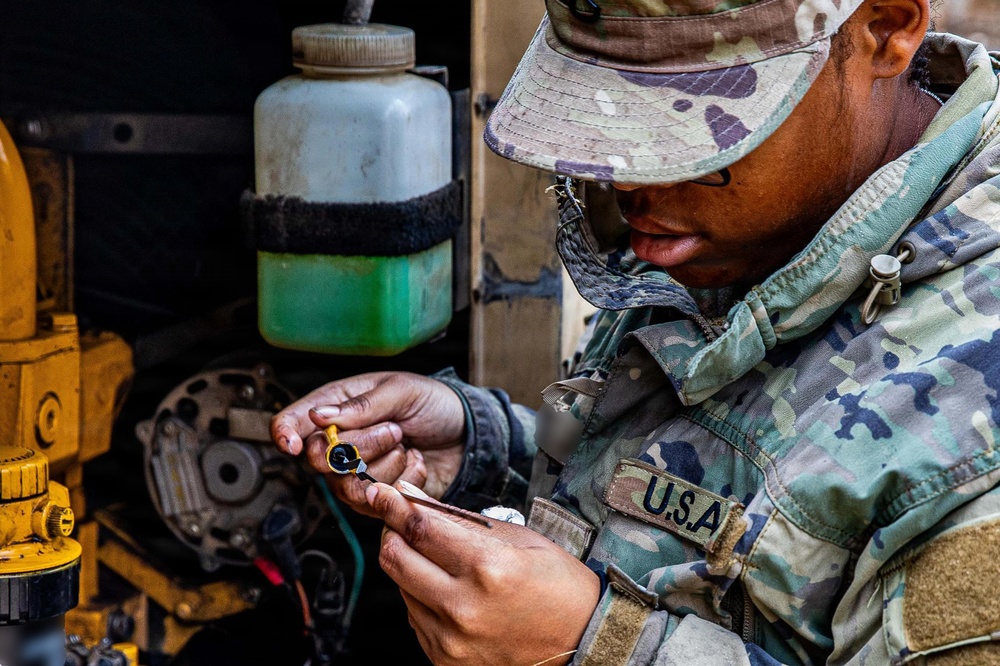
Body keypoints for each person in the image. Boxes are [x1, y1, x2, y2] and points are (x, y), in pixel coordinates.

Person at [272, 0, 1000, 662]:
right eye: (612, 125)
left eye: (695, 134)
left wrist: (595, 647)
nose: (629, 187)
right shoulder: (741, 226)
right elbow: (742, 509)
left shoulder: (982, 425)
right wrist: (488, 452)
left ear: (884, 30)